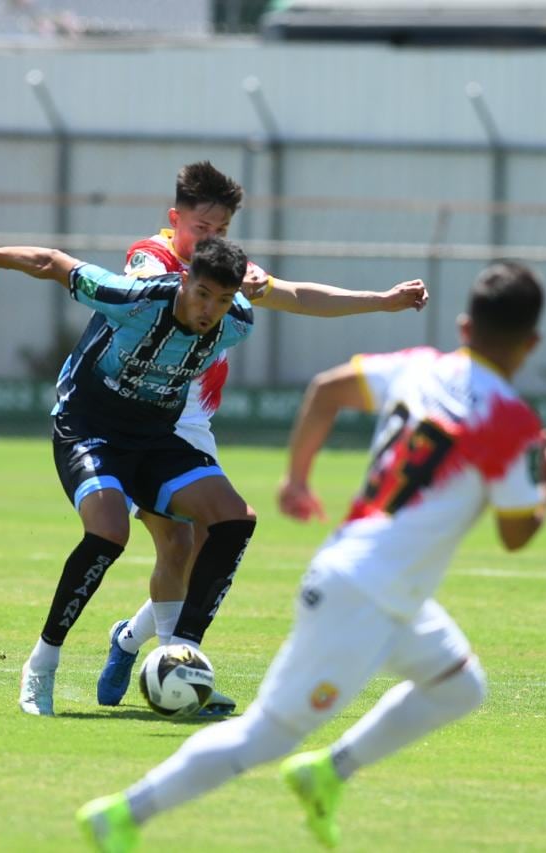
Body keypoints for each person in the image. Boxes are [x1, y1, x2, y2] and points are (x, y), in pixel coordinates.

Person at [76, 260, 546, 852]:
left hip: (381, 586)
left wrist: (296, 479)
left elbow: (327, 390)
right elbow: (517, 535)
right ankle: (123, 815)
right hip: (364, 596)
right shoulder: (512, 422)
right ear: (532, 343)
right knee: (263, 737)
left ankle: (326, 774)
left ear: (464, 327)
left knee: (460, 686)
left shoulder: (421, 367)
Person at [97, 161, 428, 716]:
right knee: (176, 545)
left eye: (222, 230)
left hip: (193, 429)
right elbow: (136, 291)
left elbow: (296, 295)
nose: (212, 239)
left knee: (207, 549)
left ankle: (132, 641)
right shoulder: (150, 258)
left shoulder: (228, 270)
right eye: (202, 228)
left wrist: (382, 299)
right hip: (141, 422)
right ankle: (179, 675)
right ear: (175, 219)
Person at [0, 229, 263, 717]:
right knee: (108, 533)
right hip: (88, 431)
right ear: (184, 279)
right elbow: (54, 263)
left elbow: (280, 297)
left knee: (234, 518)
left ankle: (180, 654)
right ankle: (43, 663)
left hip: (155, 442)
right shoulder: (136, 299)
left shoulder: (237, 323)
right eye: (203, 293)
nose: (210, 310)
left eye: (223, 299)